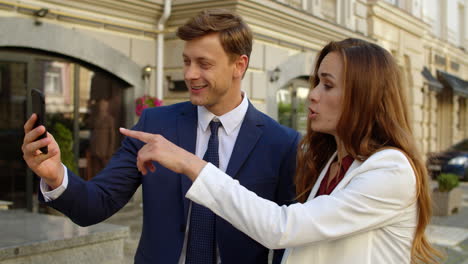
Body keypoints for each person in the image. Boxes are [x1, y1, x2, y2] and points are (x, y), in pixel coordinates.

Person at [120, 38, 442, 264]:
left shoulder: (391, 171)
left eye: (327, 85)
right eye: (316, 82)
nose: (312, 95)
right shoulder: (334, 161)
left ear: (364, 96)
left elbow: (281, 228)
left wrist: (191, 164)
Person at [21, 9, 300, 264]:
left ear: (239, 65)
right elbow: (97, 203)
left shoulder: (282, 143)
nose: (190, 74)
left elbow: (285, 242)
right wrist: (56, 175)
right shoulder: (155, 124)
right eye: (186, 61)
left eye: (204, 63)